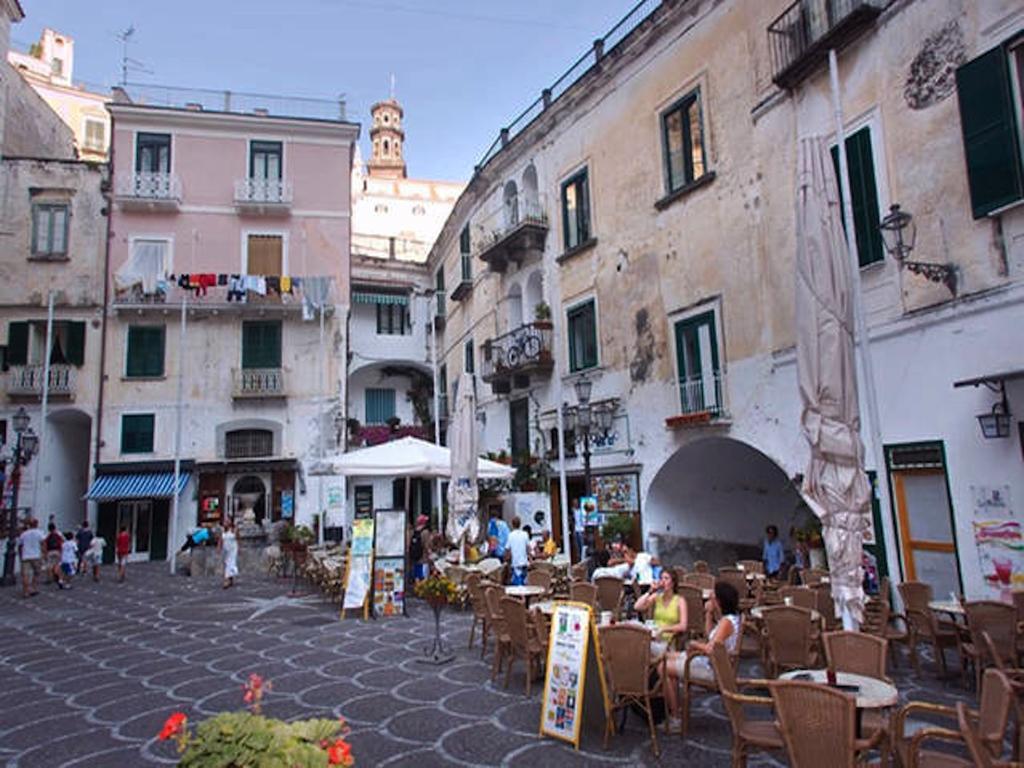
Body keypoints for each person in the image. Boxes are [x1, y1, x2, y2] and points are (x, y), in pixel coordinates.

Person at [662, 581, 742, 731]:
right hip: (712, 663)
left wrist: (693, 644)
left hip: (715, 669)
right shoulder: (729, 619)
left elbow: (711, 648)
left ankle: (676, 717)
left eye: (712, 597)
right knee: (666, 657)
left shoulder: (726, 622)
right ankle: (675, 704)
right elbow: (709, 636)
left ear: (718, 601)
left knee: (663, 667)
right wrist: (708, 614)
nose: (709, 600)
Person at [634, 568, 687, 642]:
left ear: (673, 583)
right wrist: (650, 591)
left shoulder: (680, 601)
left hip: (668, 637)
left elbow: (683, 626)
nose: (663, 581)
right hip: (653, 635)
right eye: (661, 578)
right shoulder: (657, 596)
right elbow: (637, 607)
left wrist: (663, 629)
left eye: (666, 578)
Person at [17, 517, 45, 598]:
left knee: (25, 574)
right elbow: (43, 544)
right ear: (37, 524)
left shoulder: (24, 534)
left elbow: (20, 546)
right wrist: (44, 554)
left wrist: (20, 555)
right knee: (37, 573)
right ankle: (33, 588)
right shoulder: (40, 533)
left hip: (25, 556)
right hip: (36, 555)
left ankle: (25, 591)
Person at [506, 516, 530, 586]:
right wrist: (530, 559)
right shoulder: (525, 534)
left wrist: (507, 560)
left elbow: (507, 550)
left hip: (515, 563)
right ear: (520, 524)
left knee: (517, 584)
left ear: (512, 524)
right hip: (524, 563)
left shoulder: (510, 535)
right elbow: (528, 549)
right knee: (524, 583)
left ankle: (520, 596)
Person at [410, 515, 431, 582]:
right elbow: (427, 546)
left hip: (415, 559)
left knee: (417, 578)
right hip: (423, 559)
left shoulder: (413, 532)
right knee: (424, 579)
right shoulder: (425, 532)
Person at [220, 520, 238, 589]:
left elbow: (237, 538)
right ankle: (231, 578)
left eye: (227, 522)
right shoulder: (223, 531)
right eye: (224, 522)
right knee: (227, 563)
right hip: (226, 549)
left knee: (231, 563)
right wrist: (219, 547)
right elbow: (221, 539)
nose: (225, 523)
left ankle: (226, 580)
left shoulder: (233, 530)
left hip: (233, 549)